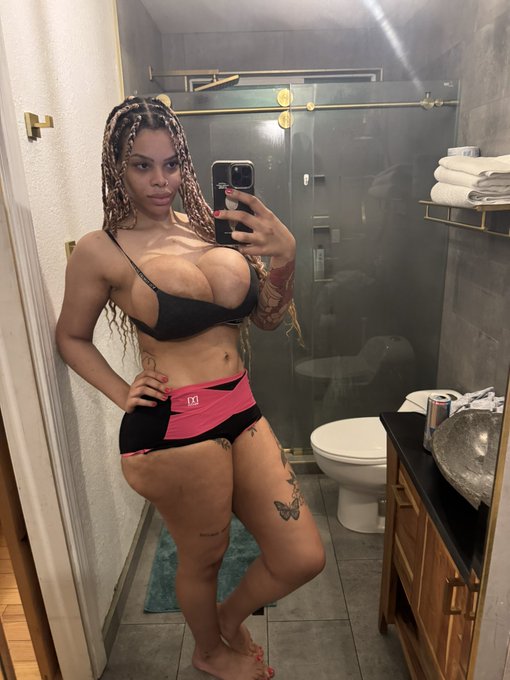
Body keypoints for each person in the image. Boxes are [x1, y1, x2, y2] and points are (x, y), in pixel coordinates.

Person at [56, 96, 325, 680]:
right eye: (142, 165)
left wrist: (284, 257)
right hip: (174, 429)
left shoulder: (211, 229)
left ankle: (227, 619)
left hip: (240, 409)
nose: (161, 180)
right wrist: (122, 390)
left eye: (171, 163)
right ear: (117, 167)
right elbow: (70, 337)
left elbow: (269, 318)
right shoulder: (103, 249)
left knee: (303, 555)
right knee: (204, 558)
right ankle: (209, 652)